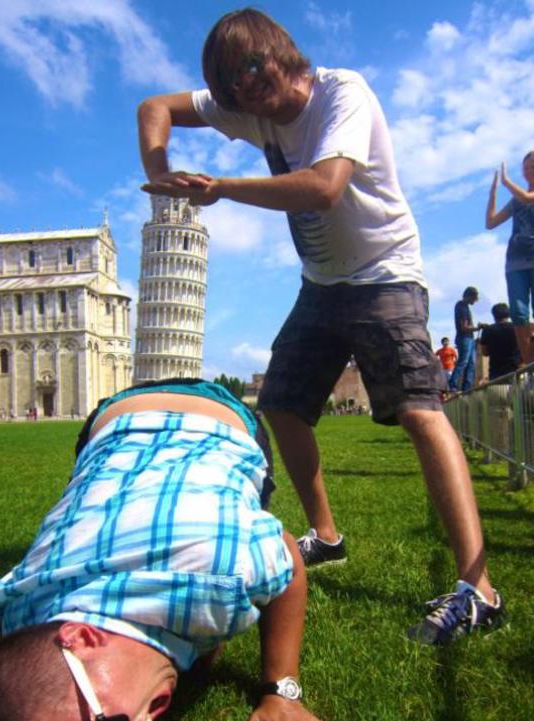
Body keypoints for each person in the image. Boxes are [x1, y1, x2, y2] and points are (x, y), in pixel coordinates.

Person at [137, 8, 504, 645]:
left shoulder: (344, 93)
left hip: (385, 274)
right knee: (280, 404)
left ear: (282, 54)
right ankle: (327, 537)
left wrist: (220, 187)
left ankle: (480, 590)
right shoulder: (249, 109)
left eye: (253, 71)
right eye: (229, 88)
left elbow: (325, 187)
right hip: (322, 285)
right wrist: (159, 170)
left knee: (419, 412)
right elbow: (153, 105)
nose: (246, 93)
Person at [0, 380, 346, 721]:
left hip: (220, 420)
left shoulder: (219, 582)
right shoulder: (19, 609)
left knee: (243, 503)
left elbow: (287, 557)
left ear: (83, 638)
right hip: (110, 424)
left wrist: (281, 690)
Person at [485, 151, 534, 366]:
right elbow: (490, 222)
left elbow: (527, 197)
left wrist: (507, 182)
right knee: (518, 312)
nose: (529, 172)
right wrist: (493, 193)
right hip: (515, 260)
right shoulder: (515, 200)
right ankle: (528, 363)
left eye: (533, 167)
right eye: (525, 168)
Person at [449, 287, 482, 392]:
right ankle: (452, 385)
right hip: (464, 338)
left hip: (469, 338)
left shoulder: (465, 307)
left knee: (471, 364)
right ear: (469, 296)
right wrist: (478, 328)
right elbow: (464, 327)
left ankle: (467, 388)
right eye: (474, 299)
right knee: (463, 362)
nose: (474, 301)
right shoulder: (461, 307)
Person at [479, 303, 520, 381]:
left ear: (494, 315)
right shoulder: (516, 328)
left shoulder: (487, 330)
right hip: (515, 372)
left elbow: (485, 352)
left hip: (496, 375)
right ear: (508, 314)